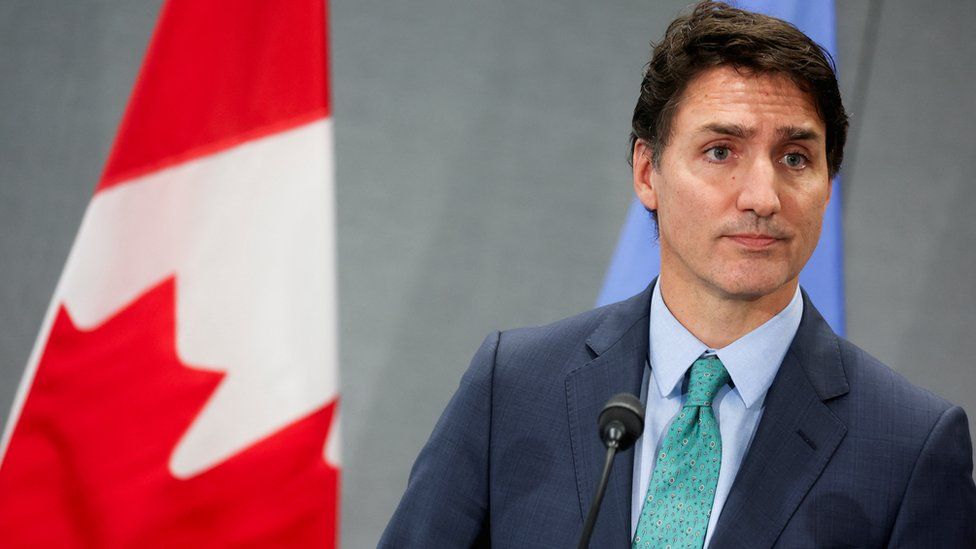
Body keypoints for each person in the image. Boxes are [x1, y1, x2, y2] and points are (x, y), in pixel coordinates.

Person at [379, 2, 976, 547]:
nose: (763, 196)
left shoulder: (910, 446)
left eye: (796, 158)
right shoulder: (513, 387)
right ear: (647, 172)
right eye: (721, 151)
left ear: (827, 184)